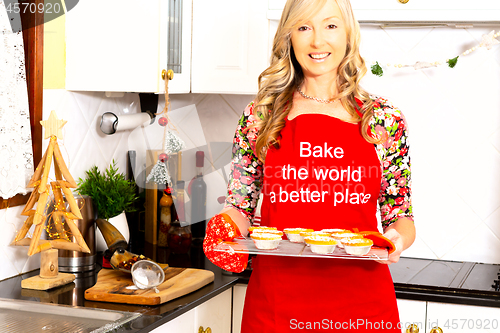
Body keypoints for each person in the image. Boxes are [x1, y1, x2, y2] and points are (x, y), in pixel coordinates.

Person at [203, 0, 416, 331]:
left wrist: (395, 241)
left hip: (362, 307)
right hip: (276, 306)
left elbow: (401, 215)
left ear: (348, 34)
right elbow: (240, 207)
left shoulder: (383, 119)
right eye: (304, 27)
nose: (317, 41)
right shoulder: (260, 116)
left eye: (330, 26)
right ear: (289, 38)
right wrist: (225, 228)